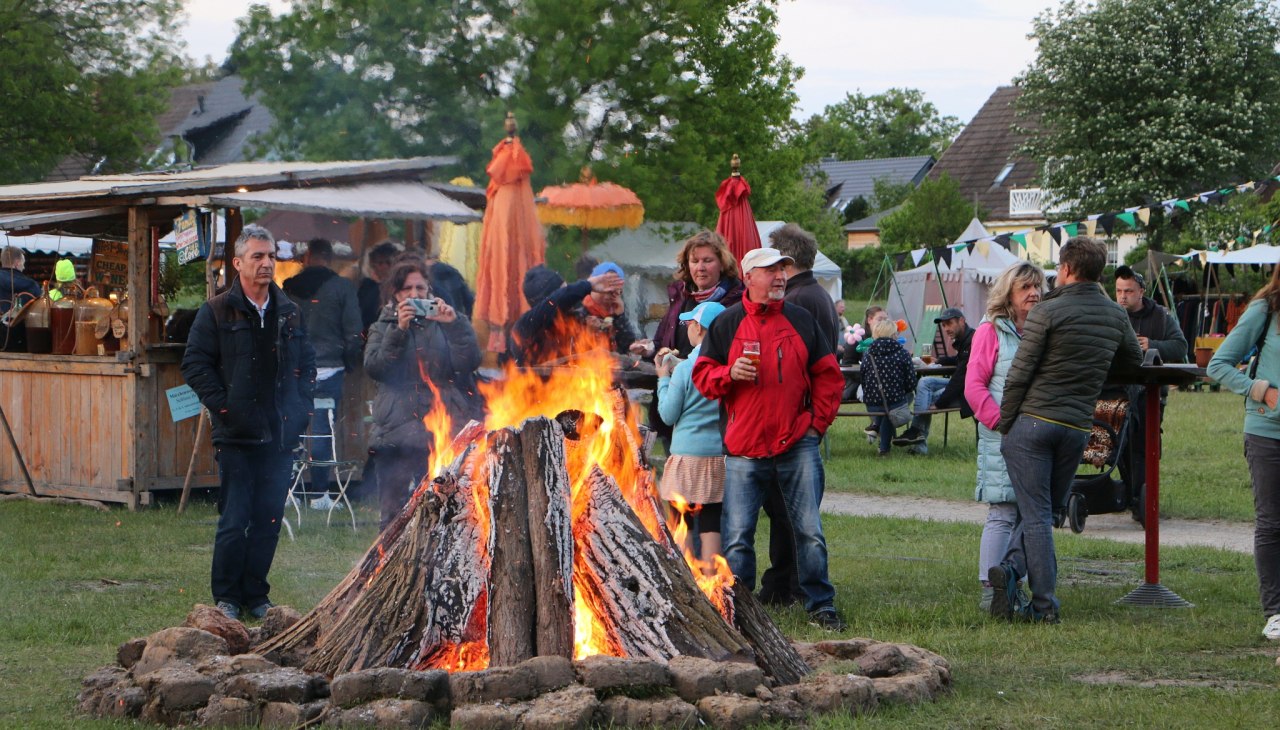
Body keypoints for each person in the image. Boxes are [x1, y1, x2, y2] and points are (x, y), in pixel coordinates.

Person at [990, 237, 1143, 623]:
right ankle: (1009, 572)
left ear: (1068, 269)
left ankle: (1043, 607)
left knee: (1037, 515)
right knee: (1048, 511)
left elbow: (1020, 374)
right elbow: (1133, 361)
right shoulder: (1115, 314)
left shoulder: (1048, 312)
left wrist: (1007, 424)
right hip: (1076, 426)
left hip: (1034, 423)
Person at [692, 247, 847, 631]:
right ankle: (738, 610)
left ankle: (821, 605)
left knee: (808, 531)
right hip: (744, 450)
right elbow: (702, 377)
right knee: (739, 536)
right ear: (749, 278)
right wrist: (729, 373)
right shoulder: (726, 324)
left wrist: (815, 425)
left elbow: (829, 377)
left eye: (782, 270)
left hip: (798, 444)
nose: (779, 277)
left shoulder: (801, 320)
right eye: (770, 271)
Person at [181, 224, 316, 622]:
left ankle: (256, 594)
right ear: (237, 263)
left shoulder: (289, 311)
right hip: (236, 434)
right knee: (235, 519)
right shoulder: (216, 310)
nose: (266, 263)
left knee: (268, 520)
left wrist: (301, 410)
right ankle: (226, 597)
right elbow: (194, 363)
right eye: (257, 256)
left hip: (279, 433)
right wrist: (225, 409)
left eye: (271, 255)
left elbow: (307, 365)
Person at [365, 260, 483, 530]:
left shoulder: (444, 322)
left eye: (420, 287)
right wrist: (399, 330)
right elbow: (375, 367)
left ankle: (435, 569)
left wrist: (455, 325)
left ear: (430, 289)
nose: (415, 294)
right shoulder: (383, 325)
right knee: (392, 513)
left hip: (441, 424)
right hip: (396, 428)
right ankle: (386, 567)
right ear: (396, 294)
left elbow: (468, 362)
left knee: (441, 509)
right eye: (407, 289)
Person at [964, 262, 1045, 611]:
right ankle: (989, 589)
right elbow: (974, 386)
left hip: (1036, 434)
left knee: (1031, 512)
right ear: (1008, 294)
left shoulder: (1042, 330)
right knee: (1002, 510)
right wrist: (1001, 423)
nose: (1034, 293)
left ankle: (1014, 583)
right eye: (1025, 287)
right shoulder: (990, 331)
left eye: (1037, 286)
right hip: (1003, 434)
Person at [1207, 264, 1280, 641]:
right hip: (1268, 432)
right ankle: (1275, 612)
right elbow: (1217, 365)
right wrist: (1261, 390)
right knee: (1272, 522)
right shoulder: (1265, 309)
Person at [282, 238, 363, 511]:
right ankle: (319, 495)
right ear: (329, 257)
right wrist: (350, 362)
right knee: (322, 432)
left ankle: (287, 493)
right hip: (330, 368)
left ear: (306, 256)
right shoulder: (342, 287)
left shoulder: (289, 287)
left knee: (290, 430)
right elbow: (354, 332)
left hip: (294, 370)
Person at [655, 301, 727, 564]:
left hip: (686, 458)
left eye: (688, 324)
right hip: (717, 457)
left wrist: (663, 378)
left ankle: (684, 577)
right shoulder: (726, 365)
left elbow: (668, 414)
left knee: (680, 522)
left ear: (697, 328)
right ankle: (712, 580)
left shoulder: (685, 370)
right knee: (711, 523)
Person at [1112, 264, 1188, 510]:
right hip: (1117, 392)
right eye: (1119, 291)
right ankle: (1128, 494)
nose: (1123, 296)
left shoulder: (1161, 316)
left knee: (1146, 445)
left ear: (1141, 291)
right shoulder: (1111, 314)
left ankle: (1143, 500)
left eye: (1129, 291)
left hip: (1150, 393)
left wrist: (1152, 344)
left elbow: (1181, 347)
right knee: (1119, 444)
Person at [510, 262, 639, 365]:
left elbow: (620, 350)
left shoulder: (573, 320)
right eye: (564, 291)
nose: (570, 300)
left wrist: (617, 319)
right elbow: (557, 300)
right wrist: (588, 285)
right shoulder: (524, 327)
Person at [894, 308, 975, 453]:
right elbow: (960, 361)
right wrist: (940, 360)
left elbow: (960, 378)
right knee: (924, 382)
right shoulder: (965, 339)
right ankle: (917, 437)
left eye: (949, 323)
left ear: (961, 321)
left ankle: (917, 436)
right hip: (962, 384)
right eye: (944, 325)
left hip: (971, 390)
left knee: (926, 398)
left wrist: (940, 404)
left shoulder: (972, 341)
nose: (946, 329)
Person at [653, 230, 744, 358]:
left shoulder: (737, 303)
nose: (700, 268)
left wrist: (685, 366)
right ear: (687, 265)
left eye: (707, 260)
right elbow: (660, 343)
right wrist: (649, 350)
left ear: (722, 264)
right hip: (676, 376)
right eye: (695, 261)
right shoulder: (680, 297)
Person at [770, 223, 839, 352]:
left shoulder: (796, 299)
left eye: (776, 261)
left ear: (786, 261)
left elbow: (789, 354)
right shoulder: (819, 292)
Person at [860, 317, 916, 456]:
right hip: (895, 403)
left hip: (872, 405)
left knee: (886, 405)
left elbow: (863, 381)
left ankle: (876, 425)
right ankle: (884, 448)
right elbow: (911, 383)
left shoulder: (868, 354)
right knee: (892, 404)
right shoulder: (902, 353)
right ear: (894, 334)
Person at [1, 246, 42, 350]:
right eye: (23, 263)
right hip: (21, 343)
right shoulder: (32, 285)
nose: (23, 267)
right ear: (17, 263)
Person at [358, 241, 399, 330]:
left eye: (388, 262)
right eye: (380, 263)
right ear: (373, 265)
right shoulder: (366, 288)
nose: (384, 267)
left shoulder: (401, 289)